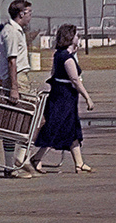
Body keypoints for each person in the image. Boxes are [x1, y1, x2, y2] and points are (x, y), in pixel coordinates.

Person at [30, 23, 95, 173]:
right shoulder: (65, 58)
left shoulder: (61, 54)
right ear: (70, 37)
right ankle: (36, 158)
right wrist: (88, 98)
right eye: (76, 36)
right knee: (55, 127)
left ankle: (79, 163)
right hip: (62, 97)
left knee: (71, 129)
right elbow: (75, 80)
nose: (78, 38)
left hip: (65, 96)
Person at [0, 0, 39, 177]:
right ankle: (19, 159)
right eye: (29, 12)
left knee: (14, 123)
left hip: (19, 77)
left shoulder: (16, 31)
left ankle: (10, 166)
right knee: (33, 119)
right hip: (17, 78)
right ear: (21, 13)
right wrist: (14, 87)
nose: (30, 16)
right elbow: (11, 60)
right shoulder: (12, 32)